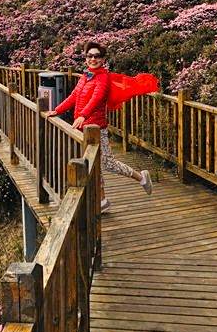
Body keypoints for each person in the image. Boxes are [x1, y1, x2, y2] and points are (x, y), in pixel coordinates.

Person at [46, 41, 153, 212]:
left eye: (97, 56)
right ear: (86, 58)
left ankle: (141, 177)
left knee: (107, 163)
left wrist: (83, 115)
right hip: (84, 127)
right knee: (92, 162)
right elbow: (74, 96)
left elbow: (97, 98)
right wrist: (56, 110)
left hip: (96, 127)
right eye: (90, 56)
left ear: (103, 59)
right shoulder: (85, 76)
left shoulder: (103, 77)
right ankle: (102, 200)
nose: (93, 59)